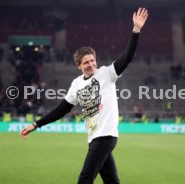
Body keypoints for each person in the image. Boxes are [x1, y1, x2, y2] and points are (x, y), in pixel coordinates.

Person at [20, 7, 149, 184]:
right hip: (93, 137)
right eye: (86, 62)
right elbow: (61, 109)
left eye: (92, 60)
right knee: (111, 180)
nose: (90, 64)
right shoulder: (76, 84)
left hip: (106, 136)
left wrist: (136, 30)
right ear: (79, 65)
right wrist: (36, 124)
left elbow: (127, 57)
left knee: (85, 178)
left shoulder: (107, 73)